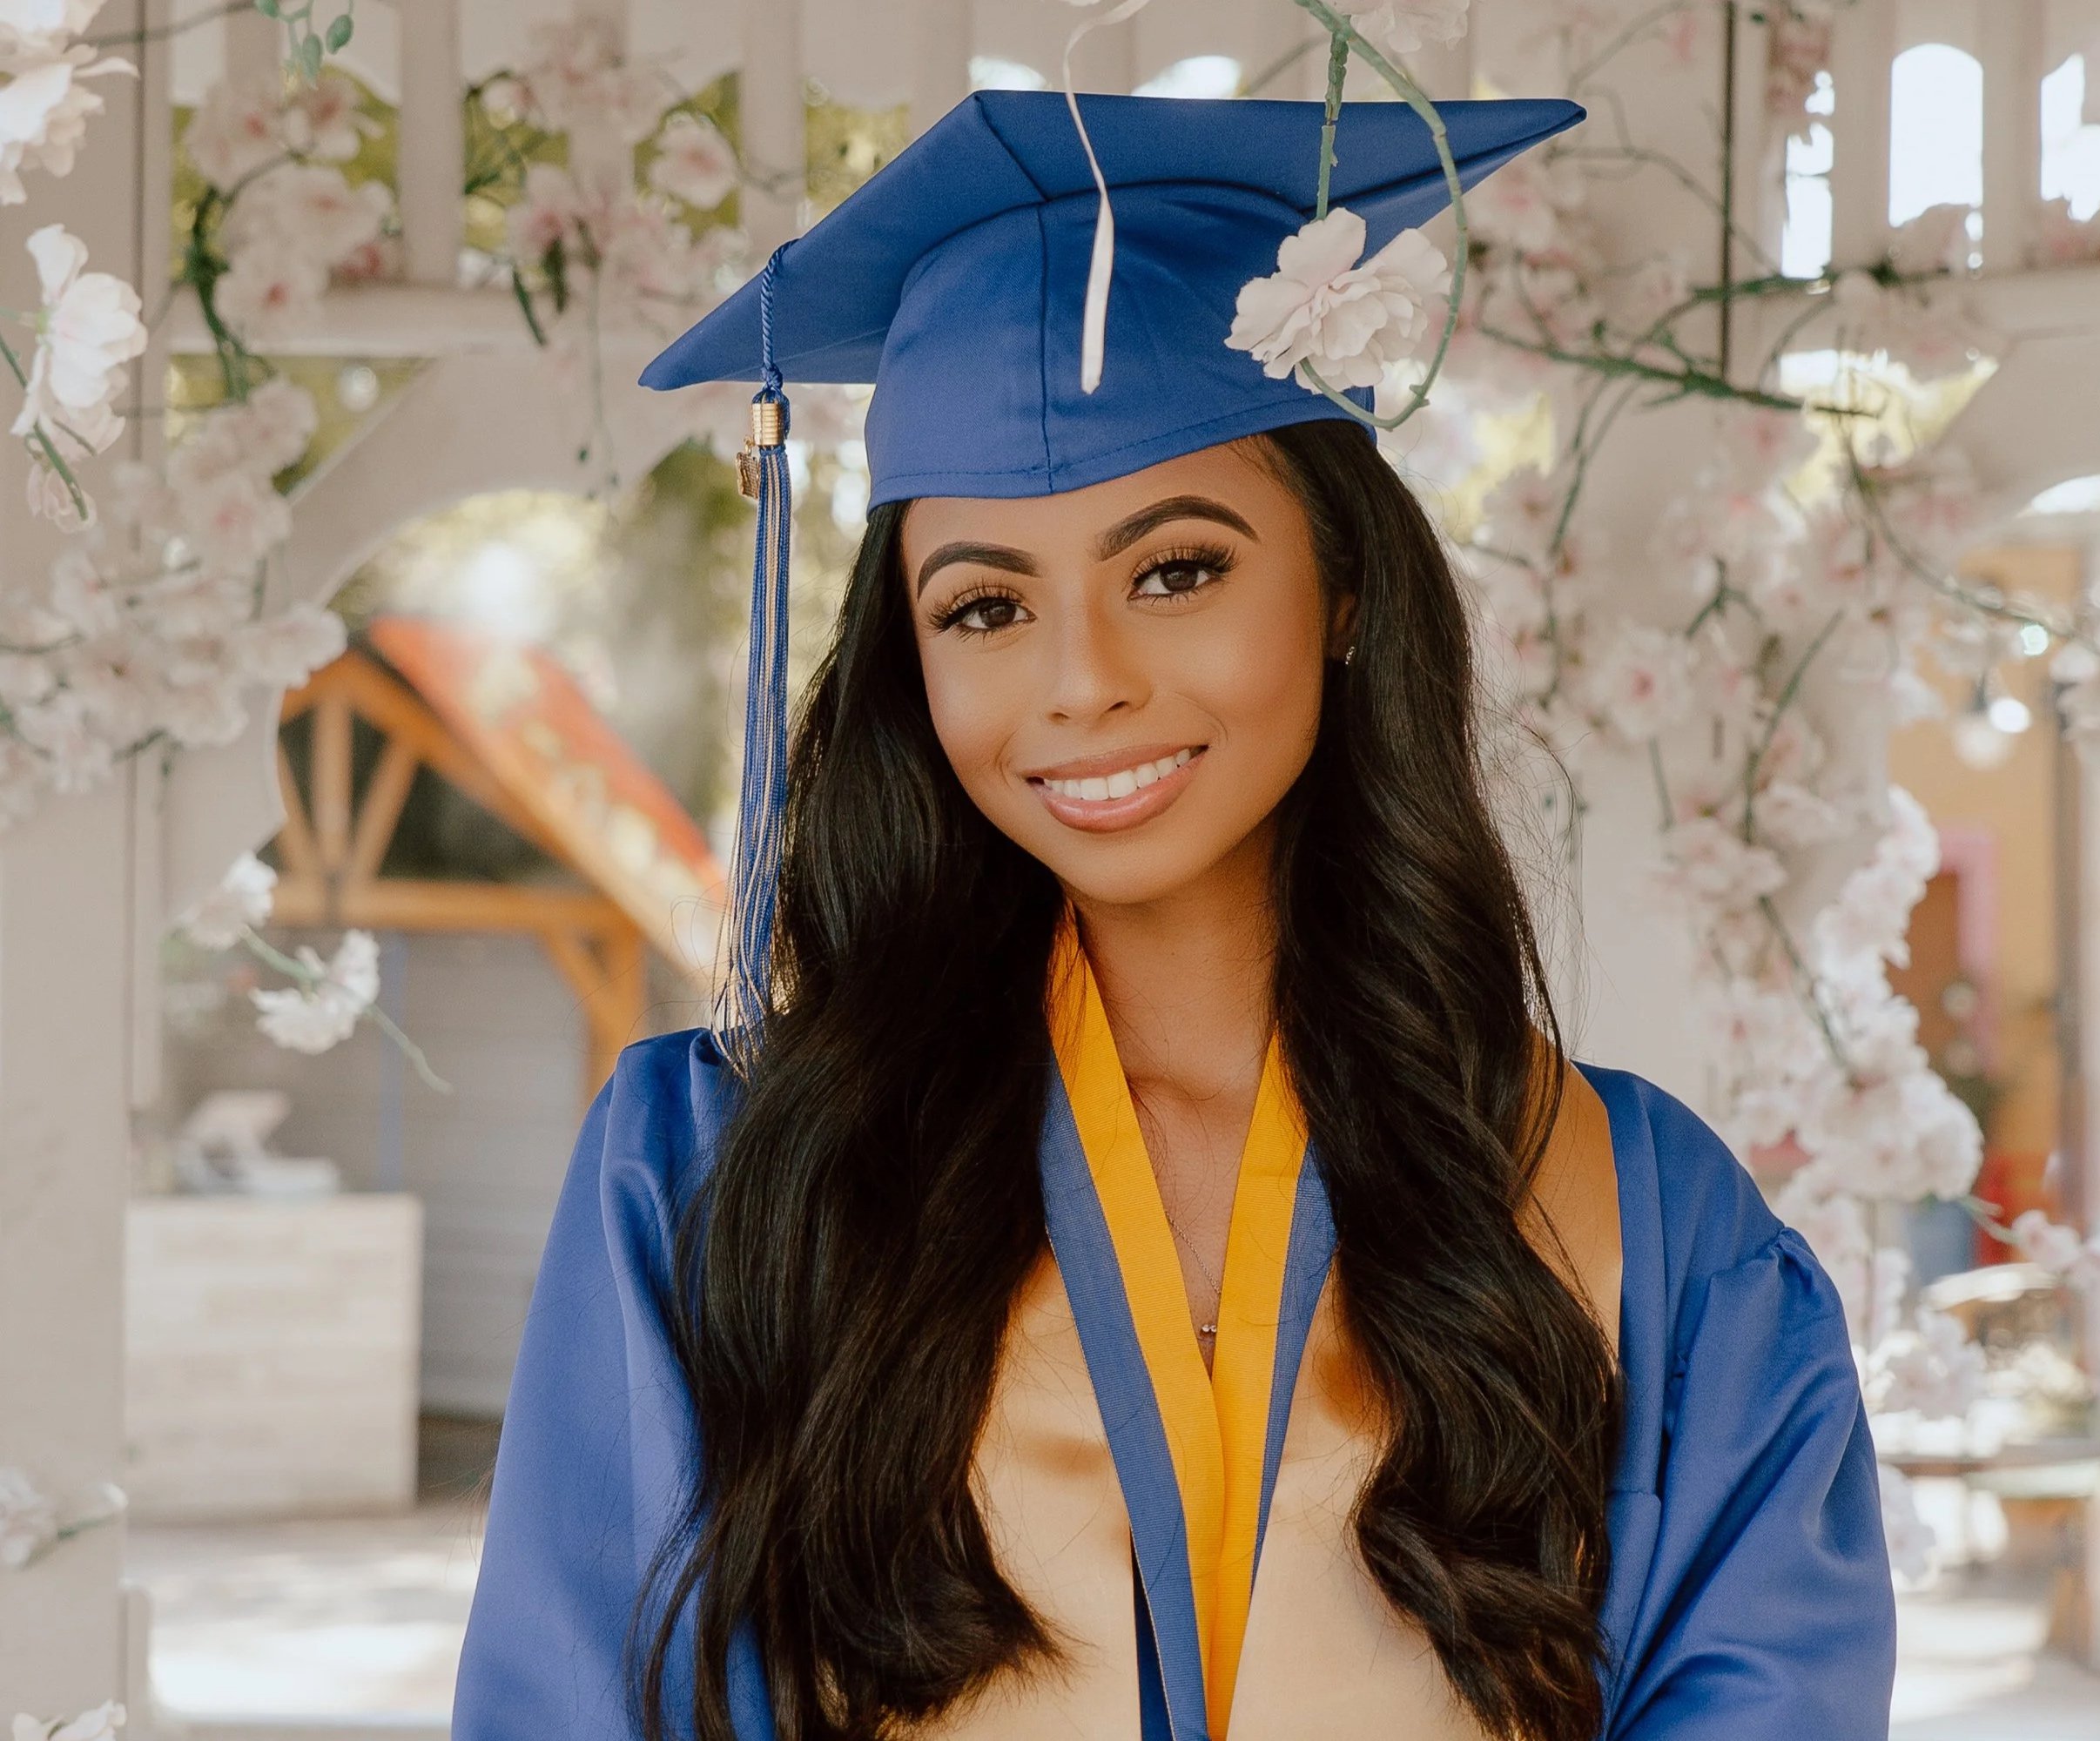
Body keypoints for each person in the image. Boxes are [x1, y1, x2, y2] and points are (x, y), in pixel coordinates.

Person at [452, 89, 1895, 1741]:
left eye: (1178, 570)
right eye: (986, 604)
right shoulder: (714, 1181)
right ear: (910, 668)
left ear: (1344, 590)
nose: (1082, 685)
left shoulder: (1643, 1226)